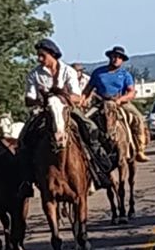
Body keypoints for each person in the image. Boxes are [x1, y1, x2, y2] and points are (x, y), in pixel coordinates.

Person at [18, 38, 114, 197]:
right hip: (44, 111)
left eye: (42, 55)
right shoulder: (34, 74)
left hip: (66, 110)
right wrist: (42, 99)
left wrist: (62, 97)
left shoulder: (68, 71)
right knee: (24, 138)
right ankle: (26, 180)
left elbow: (77, 96)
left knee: (90, 129)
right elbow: (28, 99)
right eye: (38, 56)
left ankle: (99, 169)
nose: (39, 59)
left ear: (52, 55)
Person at [82, 45, 149, 162]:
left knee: (138, 118)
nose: (116, 59)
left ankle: (139, 149)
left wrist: (121, 99)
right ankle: (85, 148)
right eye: (114, 56)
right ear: (110, 57)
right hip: (101, 103)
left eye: (119, 57)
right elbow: (88, 89)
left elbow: (131, 92)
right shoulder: (98, 73)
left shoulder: (125, 74)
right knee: (84, 120)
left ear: (122, 60)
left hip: (121, 103)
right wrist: (83, 100)